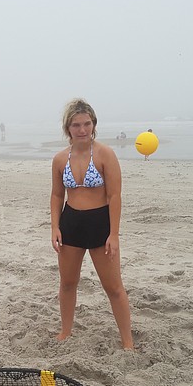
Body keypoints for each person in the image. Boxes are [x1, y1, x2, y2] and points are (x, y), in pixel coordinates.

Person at [50, 98, 134, 349]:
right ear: (68, 128)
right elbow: (57, 195)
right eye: (76, 125)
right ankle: (66, 331)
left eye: (87, 123)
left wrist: (114, 234)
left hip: (100, 224)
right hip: (71, 223)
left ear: (94, 124)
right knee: (67, 282)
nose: (82, 129)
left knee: (114, 287)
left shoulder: (105, 154)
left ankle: (128, 342)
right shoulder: (59, 159)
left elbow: (115, 195)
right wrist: (55, 226)